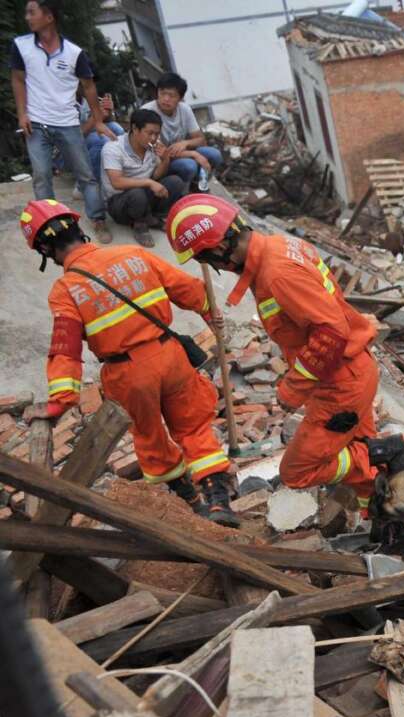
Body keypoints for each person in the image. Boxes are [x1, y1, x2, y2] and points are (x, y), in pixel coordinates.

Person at [166, 194, 404, 553]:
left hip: (341, 383)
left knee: (299, 471)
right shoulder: (279, 246)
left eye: (205, 258)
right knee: (360, 455)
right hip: (350, 372)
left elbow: (331, 332)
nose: (212, 266)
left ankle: (393, 449)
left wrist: (292, 389)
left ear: (219, 248)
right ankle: (394, 533)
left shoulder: (277, 273)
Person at [19, 199, 236, 525]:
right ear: (79, 229)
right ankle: (219, 503)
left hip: (128, 374)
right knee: (193, 427)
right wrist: (209, 314)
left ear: (45, 250)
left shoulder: (65, 290)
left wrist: (59, 402)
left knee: (151, 439)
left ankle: (192, 505)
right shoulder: (133, 254)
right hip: (171, 356)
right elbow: (189, 289)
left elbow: (66, 350)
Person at [12, 0, 113, 243]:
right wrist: (22, 114)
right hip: (36, 123)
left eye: (32, 12)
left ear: (49, 17)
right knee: (41, 176)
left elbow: (89, 86)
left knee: (85, 174)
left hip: (68, 123)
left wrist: (98, 120)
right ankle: (50, 224)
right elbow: (17, 79)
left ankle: (98, 218)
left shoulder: (74, 53)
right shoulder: (21, 46)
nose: (27, 17)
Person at [101, 108, 187, 246]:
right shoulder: (113, 148)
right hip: (118, 203)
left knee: (175, 182)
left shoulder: (153, 146)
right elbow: (117, 182)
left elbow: (156, 176)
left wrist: (165, 160)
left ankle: (153, 217)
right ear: (135, 129)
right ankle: (140, 225)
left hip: (143, 196)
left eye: (157, 134)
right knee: (137, 193)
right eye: (150, 133)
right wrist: (148, 182)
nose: (153, 138)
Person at [142, 72, 223, 189]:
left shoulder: (185, 109)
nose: (166, 99)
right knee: (189, 166)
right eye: (162, 93)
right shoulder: (147, 112)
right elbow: (161, 152)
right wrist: (194, 154)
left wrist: (185, 143)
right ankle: (178, 189)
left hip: (180, 154)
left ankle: (199, 185)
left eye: (171, 95)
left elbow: (200, 139)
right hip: (159, 163)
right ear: (157, 92)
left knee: (214, 155)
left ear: (180, 98)